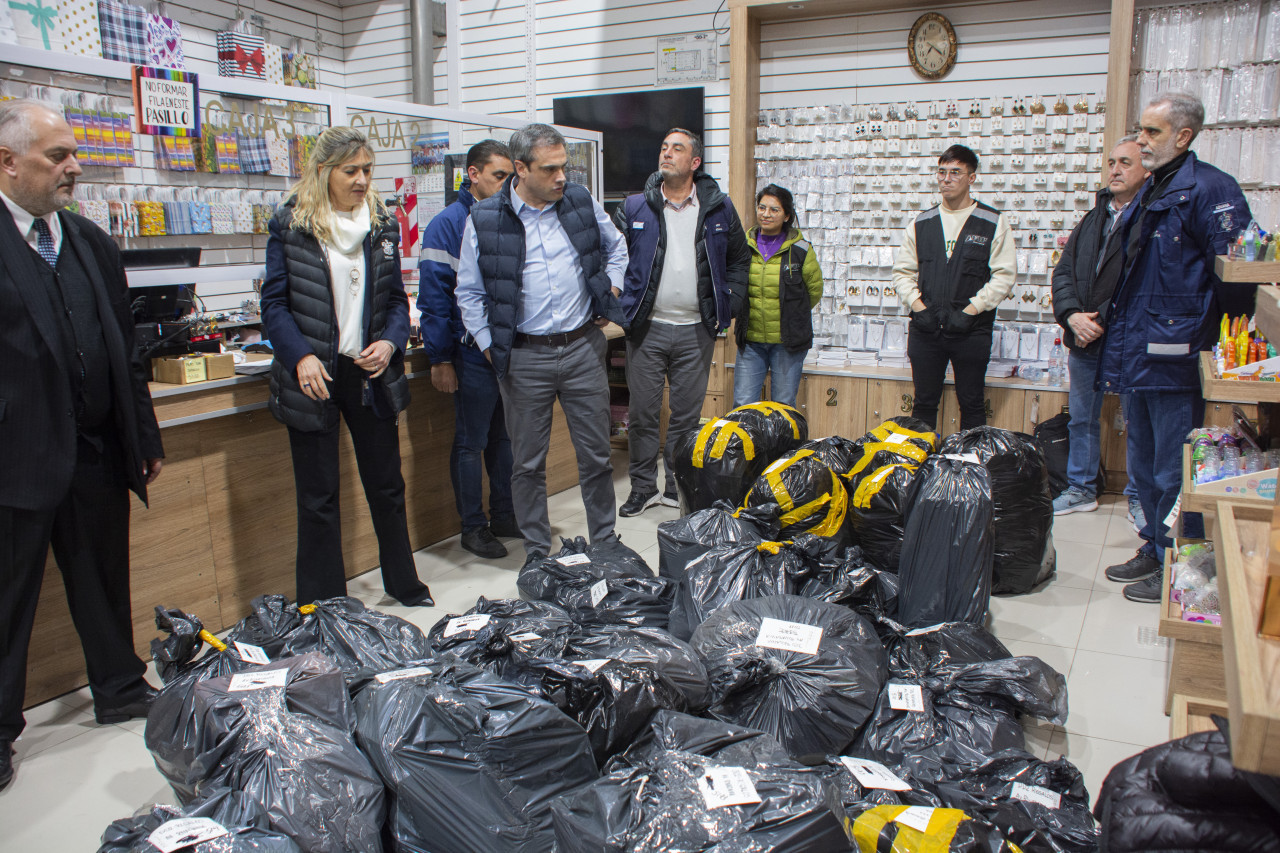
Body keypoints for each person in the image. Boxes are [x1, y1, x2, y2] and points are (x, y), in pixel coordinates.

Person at [0, 99, 164, 791]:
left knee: (103, 574)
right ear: (8, 162)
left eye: (73, 154)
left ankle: (120, 684)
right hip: (16, 456)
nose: (73, 166)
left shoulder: (90, 240)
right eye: (56, 156)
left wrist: (142, 431)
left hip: (96, 445)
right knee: (8, 599)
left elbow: (125, 349)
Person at [261, 126, 433, 608]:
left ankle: (404, 584)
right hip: (313, 375)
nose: (362, 180)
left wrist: (391, 342)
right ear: (323, 172)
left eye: (367, 171)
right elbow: (274, 305)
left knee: (387, 484)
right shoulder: (292, 225)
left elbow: (398, 301)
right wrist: (301, 356)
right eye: (350, 170)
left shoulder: (381, 224)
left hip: (369, 372)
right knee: (318, 497)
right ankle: (323, 603)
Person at [1099, 92, 1251, 603]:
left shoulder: (1211, 189)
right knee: (1143, 465)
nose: (1141, 140)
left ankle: (1176, 563)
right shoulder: (1152, 187)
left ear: (1183, 137)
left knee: (1171, 466)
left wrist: (1202, 337)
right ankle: (1153, 545)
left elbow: (1233, 280)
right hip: (1139, 349)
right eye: (1141, 131)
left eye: (1152, 132)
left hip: (1176, 352)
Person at [456, 123, 628, 564]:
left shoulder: (579, 201)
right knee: (527, 465)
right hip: (523, 356)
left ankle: (605, 544)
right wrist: (488, 345)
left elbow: (616, 247)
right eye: (550, 169)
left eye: (564, 166)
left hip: (582, 348)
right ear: (520, 168)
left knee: (595, 455)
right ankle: (536, 552)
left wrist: (609, 287)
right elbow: (469, 292)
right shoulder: (485, 218)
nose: (561, 177)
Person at [613, 128, 749, 516]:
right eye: (663, 148)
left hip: (696, 329)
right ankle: (642, 488)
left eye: (677, 149)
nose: (667, 154)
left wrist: (730, 303)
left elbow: (739, 259)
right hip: (647, 328)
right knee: (642, 414)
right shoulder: (637, 206)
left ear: (694, 162)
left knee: (686, 419)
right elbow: (613, 257)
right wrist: (620, 298)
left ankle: (676, 486)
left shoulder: (719, 208)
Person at [417, 139, 521, 558]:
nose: (506, 184)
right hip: (469, 353)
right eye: (499, 176)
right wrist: (440, 359)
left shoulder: (507, 218)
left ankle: (504, 515)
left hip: (506, 353)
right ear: (473, 174)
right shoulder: (448, 224)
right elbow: (435, 299)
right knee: (471, 441)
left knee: (505, 439)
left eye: (510, 177)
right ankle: (472, 527)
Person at [1051, 136, 1149, 516]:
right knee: (1081, 419)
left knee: (1138, 422)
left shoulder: (1149, 215)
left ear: (1146, 169)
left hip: (1126, 338)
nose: (1115, 170)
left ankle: (1140, 497)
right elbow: (1064, 272)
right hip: (1083, 336)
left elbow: (1139, 279)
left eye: (1125, 162)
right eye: (1112, 162)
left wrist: (1100, 319)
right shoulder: (1094, 216)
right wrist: (1072, 315)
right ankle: (1081, 489)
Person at [892, 144, 1015, 431]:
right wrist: (918, 307)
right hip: (926, 328)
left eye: (955, 172)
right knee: (923, 403)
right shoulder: (922, 222)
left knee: (971, 403)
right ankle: (921, 464)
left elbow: (1003, 276)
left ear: (971, 177)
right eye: (942, 172)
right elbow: (902, 272)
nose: (946, 179)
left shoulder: (992, 222)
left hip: (971, 329)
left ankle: (968, 468)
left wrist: (971, 311)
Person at [732, 184, 823, 408]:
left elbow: (814, 292)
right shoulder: (744, 246)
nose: (766, 214)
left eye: (774, 210)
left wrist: (793, 314)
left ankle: (782, 445)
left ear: (787, 215)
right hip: (751, 342)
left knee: (783, 406)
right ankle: (746, 444)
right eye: (762, 207)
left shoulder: (801, 249)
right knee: (743, 404)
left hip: (788, 344)